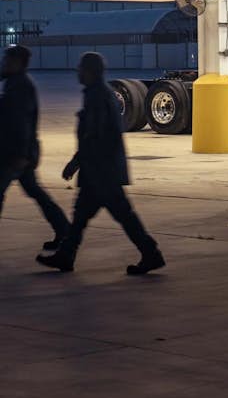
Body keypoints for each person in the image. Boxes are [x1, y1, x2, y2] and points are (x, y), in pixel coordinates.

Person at [36, 52, 165, 275]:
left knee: (119, 215)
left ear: (90, 71)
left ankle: (151, 253)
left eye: (81, 68)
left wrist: (76, 162)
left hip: (102, 172)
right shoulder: (97, 94)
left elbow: (95, 135)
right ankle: (67, 256)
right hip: (100, 170)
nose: (77, 71)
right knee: (82, 217)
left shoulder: (97, 96)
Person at [0, 45, 70, 249]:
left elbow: (21, 123)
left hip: (15, 156)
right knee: (36, 193)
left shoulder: (20, 86)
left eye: (7, 60)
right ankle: (63, 229)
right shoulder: (14, 82)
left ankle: (64, 230)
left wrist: (21, 154)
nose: (4, 62)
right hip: (20, 154)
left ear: (18, 63)